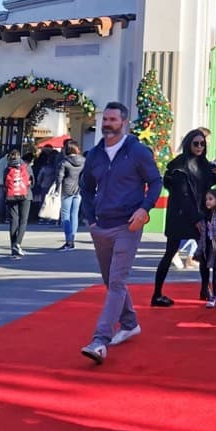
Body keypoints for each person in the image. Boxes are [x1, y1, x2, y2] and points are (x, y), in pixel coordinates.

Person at [79, 102, 162, 364]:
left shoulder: (137, 151)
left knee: (116, 282)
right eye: (105, 119)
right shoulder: (94, 155)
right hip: (101, 226)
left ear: (124, 123)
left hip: (128, 225)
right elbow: (86, 188)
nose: (107, 123)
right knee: (110, 281)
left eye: (113, 119)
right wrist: (91, 219)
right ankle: (129, 322)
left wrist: (144, 209)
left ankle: (99, 341)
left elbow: (156, 181)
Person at [152, 128, 216, 306]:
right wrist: (197, 218)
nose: (199, 147)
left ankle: (205, 289)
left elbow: (203, 186)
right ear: (188, 144)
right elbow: (183, 195)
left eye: (202, 144)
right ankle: (157, 293)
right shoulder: (179, 166)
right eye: (196, 143)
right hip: (182, 215)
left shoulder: (204, 164)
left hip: (197, 213)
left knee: (205, 254)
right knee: (170, 253)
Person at [3, 149, 34, 258]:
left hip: (12, 196)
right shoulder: (25, 166)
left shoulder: (7, 168)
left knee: (13, 221)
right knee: (23, 220)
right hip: (26, 196)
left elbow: (5, 183)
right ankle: (18, 244)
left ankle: (13, 247)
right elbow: (32, 182)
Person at [56, 140, 85, 250]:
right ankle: (72, 239)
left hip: (66, 189)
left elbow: (59, 177)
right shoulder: (84, 161)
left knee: (65, 216)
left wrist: (57, 188)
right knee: (74, 215)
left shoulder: (64, 162)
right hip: (79, 190)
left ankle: (68, 241)